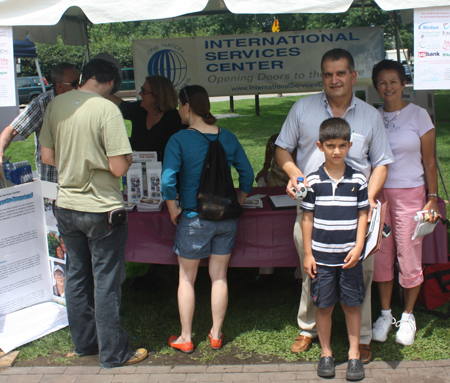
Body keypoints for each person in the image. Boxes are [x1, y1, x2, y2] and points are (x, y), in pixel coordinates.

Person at [275, 48, 394, 363]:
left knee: (361, 272)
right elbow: (282, 151)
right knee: (312, 268)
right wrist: (297, 176)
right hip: (313, 209)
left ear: (353, 76)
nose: (334, 79)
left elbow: (381, 163)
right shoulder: (302, 109)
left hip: (356, 211)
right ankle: (307, 327)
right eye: (328, 74)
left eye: (341, 73)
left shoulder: (370, 115)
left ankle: (363, 337)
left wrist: (368, 198)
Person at [39, 59, 147, 368]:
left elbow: (47, 156)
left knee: (75, 277)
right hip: (101, 208)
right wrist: (122, 158)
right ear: (112, 83)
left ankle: (84, 344)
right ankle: (114, 353)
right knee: (106, 281)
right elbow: (117, 167)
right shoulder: (106, 109)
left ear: (84, 77)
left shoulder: (57, 104)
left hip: (66, 204)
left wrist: (75, 164)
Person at [161, 85, 253, 353]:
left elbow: (168, 180)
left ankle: (186, 337)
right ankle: (215, 334)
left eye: (179, 106)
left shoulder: (179, 140)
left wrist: (172, 208)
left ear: (188, 107)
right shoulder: (228, 137)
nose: (178, 110)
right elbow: (247, 175)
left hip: (194, 217)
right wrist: (239, 201)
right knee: (219, 276)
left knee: (187, 279)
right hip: (227, 219)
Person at [370, 59, 439, 346]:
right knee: (381, 255)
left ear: (403, 84)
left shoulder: (419, 115)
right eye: (382, 82)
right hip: (379, 195)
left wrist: (432, 198)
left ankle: (408, 316)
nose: (388, 87)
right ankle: (385, 315)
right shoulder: (372, 115)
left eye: (394, 82)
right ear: (376, 86)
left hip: (411, 194)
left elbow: (429, 161)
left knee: (409, 256)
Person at [302, 118, 369, 380]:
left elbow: (363, 215)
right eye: (331, 145)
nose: (337, 151)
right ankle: (326, 352)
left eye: (342, 145)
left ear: (350, 145)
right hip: (321, 258)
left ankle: (354, 355)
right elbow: (307, 218)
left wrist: (360, 245)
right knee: (324, 306)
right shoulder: (313, 181)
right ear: (320, 146)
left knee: (352, 305)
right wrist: (308, 253)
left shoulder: (358, 180)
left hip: (350, 257)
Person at [0, 63, 79, 182]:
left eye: (80, 81)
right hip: (53, 178)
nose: (79, 86)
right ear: (59, 86)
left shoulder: (81, 101)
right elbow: (12, 130)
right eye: (75, 83)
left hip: (78, 175)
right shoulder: (41, 104)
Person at [108, 75, 187, 161]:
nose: (140, 94)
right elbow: (121, 105)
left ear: (157, 96)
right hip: (139, 171)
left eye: (144, 91)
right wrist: (101, 91)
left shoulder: (175, 120)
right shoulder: (139, 110)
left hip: (166, 171)